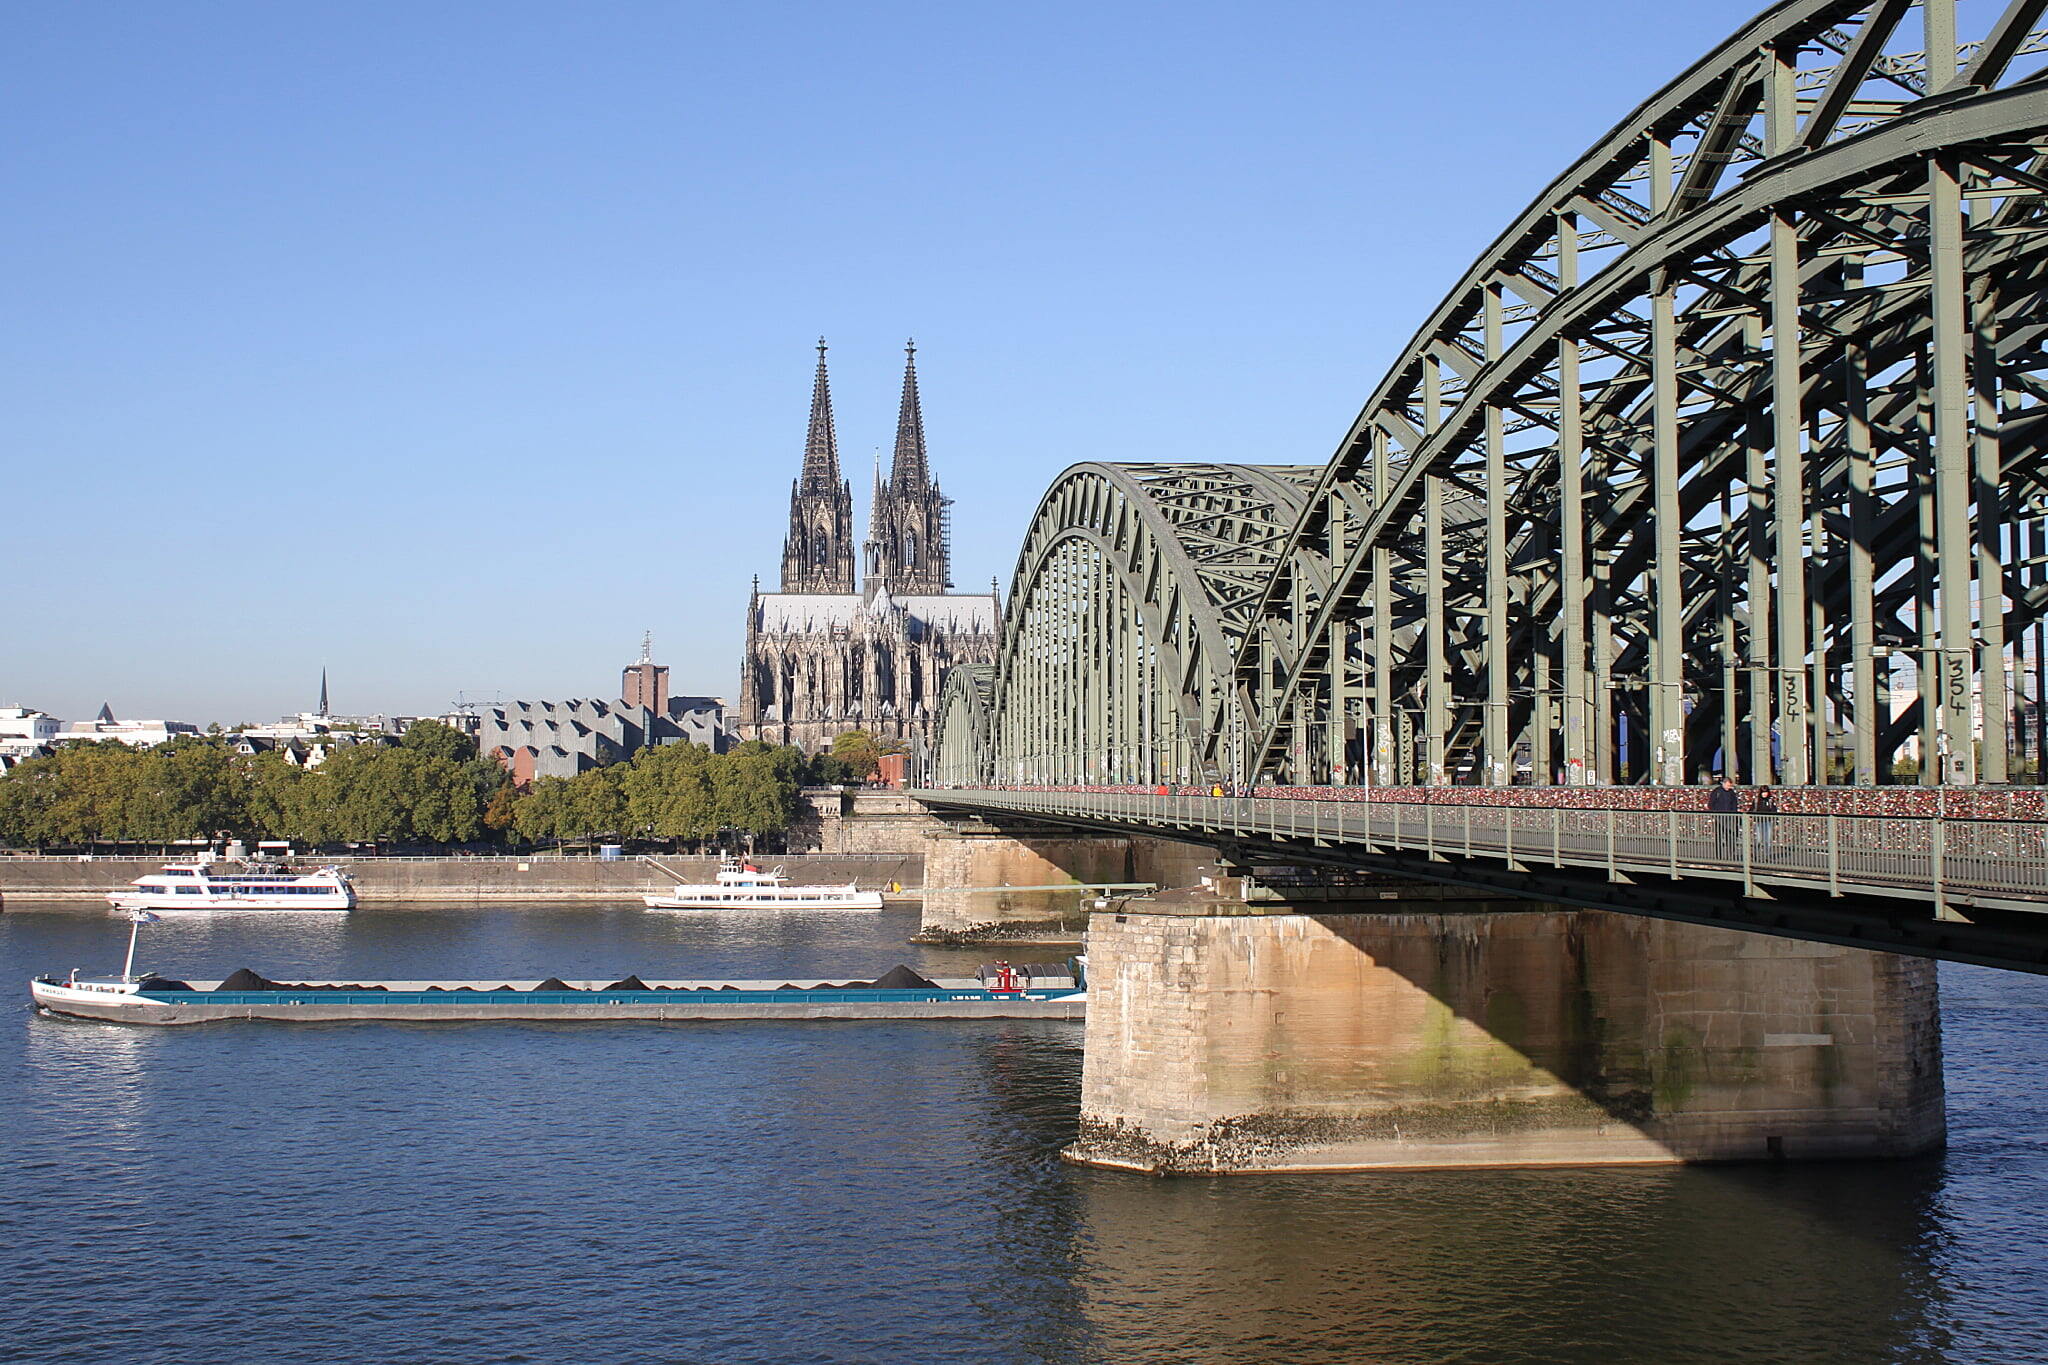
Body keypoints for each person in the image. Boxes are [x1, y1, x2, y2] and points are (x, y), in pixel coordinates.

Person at [1708, 775, 1740, 859]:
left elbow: (1734, 805)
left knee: (1730, 837)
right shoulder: (1717, 792)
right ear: (1724, 783)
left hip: (1730, 818)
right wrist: (1715, 813)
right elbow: (1711, 804)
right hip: (1719, 817)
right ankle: (1718, 855)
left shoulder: (1731, 793)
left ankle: (1731, 854)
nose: (1729, 787)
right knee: (1718, 836)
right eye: (1728, 785)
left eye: (1730, 785)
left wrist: (1734, 815)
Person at [1752, 788, 1779, 860]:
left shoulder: (1770, 800)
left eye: (1766, 792)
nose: (1765, 794)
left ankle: (1767, 855)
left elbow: (1774, 811)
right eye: (1763, 792)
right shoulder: (1756, 800)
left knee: (1768, 839)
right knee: (1758, 839)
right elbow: (1752, 810)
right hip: (1758, 821)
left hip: (1768, 821)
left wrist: (1776, 822)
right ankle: (1755, 855)